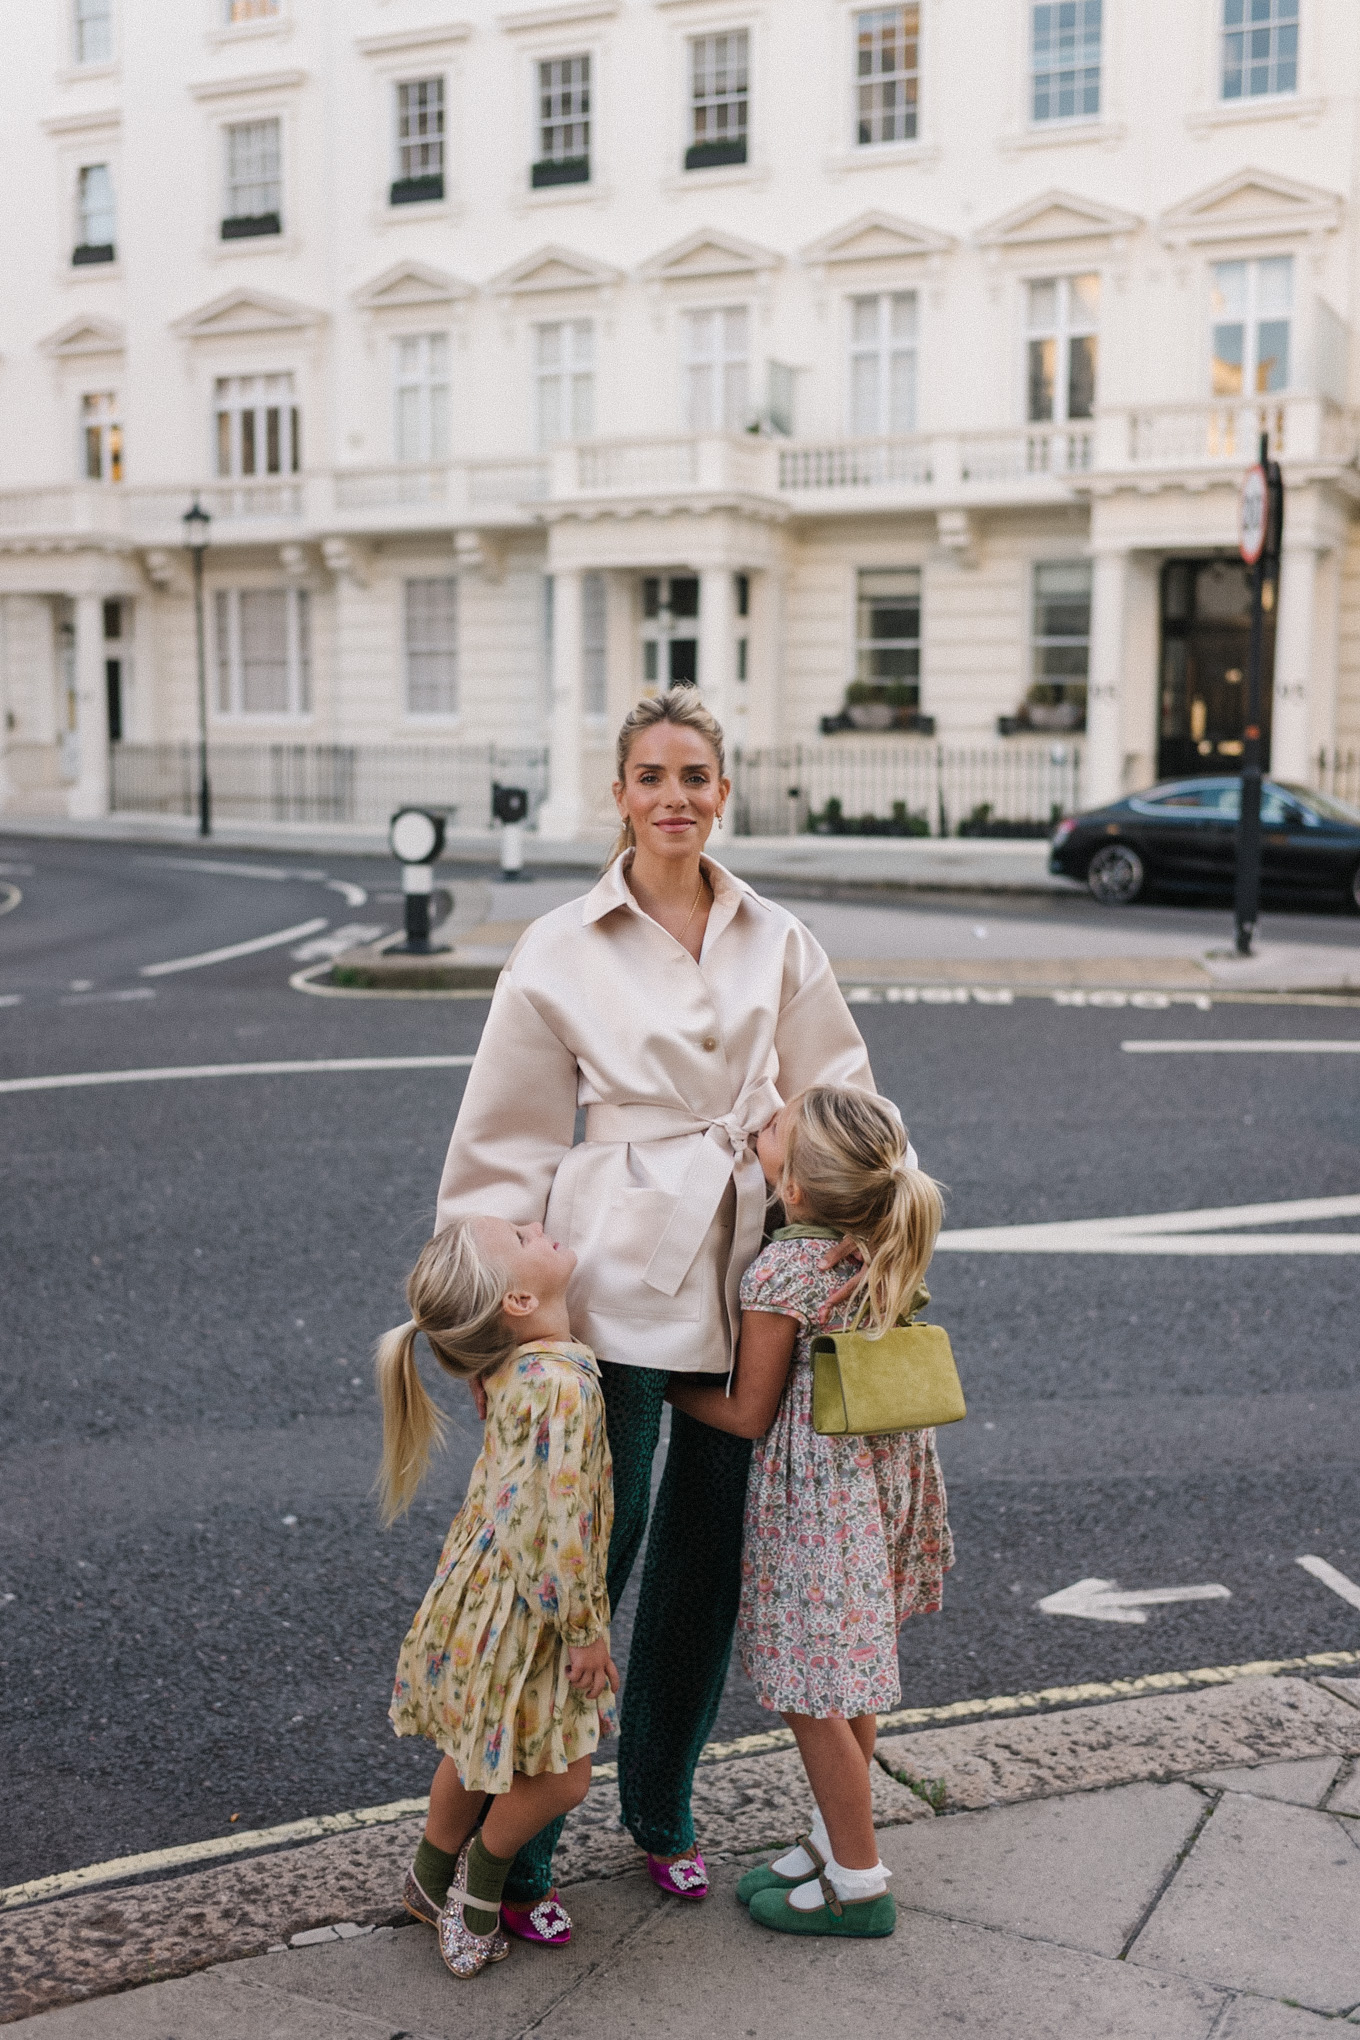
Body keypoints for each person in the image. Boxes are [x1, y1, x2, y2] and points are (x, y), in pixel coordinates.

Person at [435, 690, 883, 1939]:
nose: (673, 796)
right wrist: (486, 1323)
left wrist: (860, 1236)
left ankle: (663, 1812)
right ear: (620, 795)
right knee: (587, 1560)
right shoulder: (558, 946)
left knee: (704, 1570)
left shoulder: (778, 937)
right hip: (614, 1276)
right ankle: (522, 1853)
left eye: (694, 776)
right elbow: (502, 1139)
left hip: (753, 1275)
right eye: (650, 776)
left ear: (721, 794)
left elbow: (844, 1099)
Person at [668, 1086, 951, 1940]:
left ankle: (859, 1886)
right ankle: (834, 1841)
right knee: (847, 1675)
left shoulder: (784, 1270)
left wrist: (664, 1386)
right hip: (875, 1481)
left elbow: (748, 1413)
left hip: (818, 1504)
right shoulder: (882, 1240)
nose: (761, 1120)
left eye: (771, 1128)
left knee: (811, 1692)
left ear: (790, 1187)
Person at [375, 1216, 618, 1980]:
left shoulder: (518, 1368)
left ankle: (426, 1876)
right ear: (517, 1300)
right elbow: (562, 1527)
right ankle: (477, 1894)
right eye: (521, 1235)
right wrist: (585, 1630)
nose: (537, 1224)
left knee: (474, 1748)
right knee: (564, 1776)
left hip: (484, 1590)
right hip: (533, 1609)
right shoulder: (562, 1387)